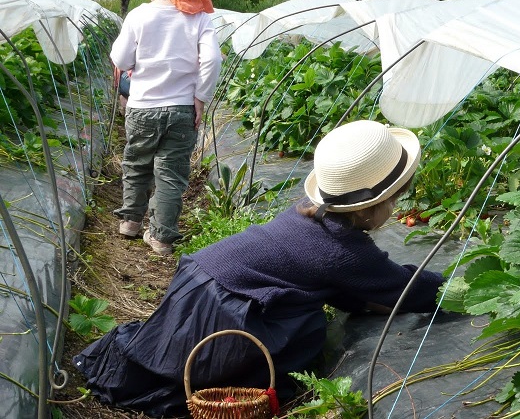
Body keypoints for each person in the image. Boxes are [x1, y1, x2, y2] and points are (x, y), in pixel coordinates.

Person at [73, 120, 446, 417]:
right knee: (307, 325)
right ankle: (226, 378)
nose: (395, 209)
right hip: (217, 313)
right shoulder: (344, 251)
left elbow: (347, 286)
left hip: (198, 283)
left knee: (310, 302)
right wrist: (449, 283)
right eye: (394, 199)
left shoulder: (308, 213)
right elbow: (406, 288)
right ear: (368, 208)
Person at [111, 0, 222, 255]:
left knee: (137, 163)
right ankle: (161, 237)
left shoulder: (138, 16)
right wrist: (200, 96)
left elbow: (121, 60)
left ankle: (130, 221)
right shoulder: (200, 19)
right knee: (171, 173)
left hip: (143, 107)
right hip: (181, 109)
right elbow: (212, 59)